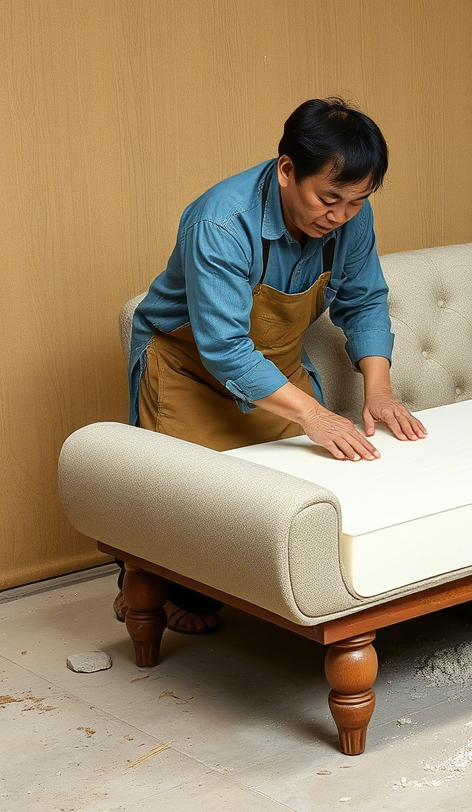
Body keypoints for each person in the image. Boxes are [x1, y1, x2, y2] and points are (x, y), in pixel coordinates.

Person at [116, 97, 426, 633]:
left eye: (356, 202)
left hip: (275, 370)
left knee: (312, 487)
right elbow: (224, 347)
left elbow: (364, 300)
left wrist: (378, 390)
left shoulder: (349, 216)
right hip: (188, 366)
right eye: (328, 199)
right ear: (287, 170)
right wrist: (315, 415)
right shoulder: (220, 222)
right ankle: (142, 589)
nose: (340, 216)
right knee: (186, 509)